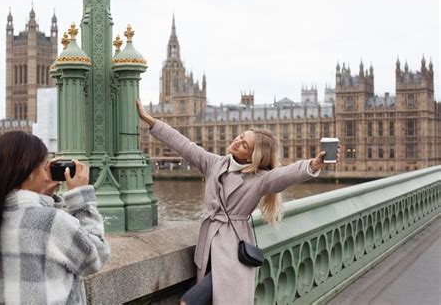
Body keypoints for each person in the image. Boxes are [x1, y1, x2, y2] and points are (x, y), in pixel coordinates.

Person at [136, 100, 339, 304]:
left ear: (254, 156)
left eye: (244, 145)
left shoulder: (260, 179)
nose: (237, 142)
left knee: (188, 301)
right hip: (207, 245)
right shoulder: (215, 163)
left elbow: (284, 175)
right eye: (240, 137)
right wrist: (151, 121)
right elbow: (184, 145)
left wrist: (312, 165)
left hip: (231, 251)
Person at [0, 131, 110, 304]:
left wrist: (45, 198)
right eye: (43, 168)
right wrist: (81, 200)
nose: (46, 176)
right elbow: (95, 257)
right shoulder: (51, 222)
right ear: (29, 173)